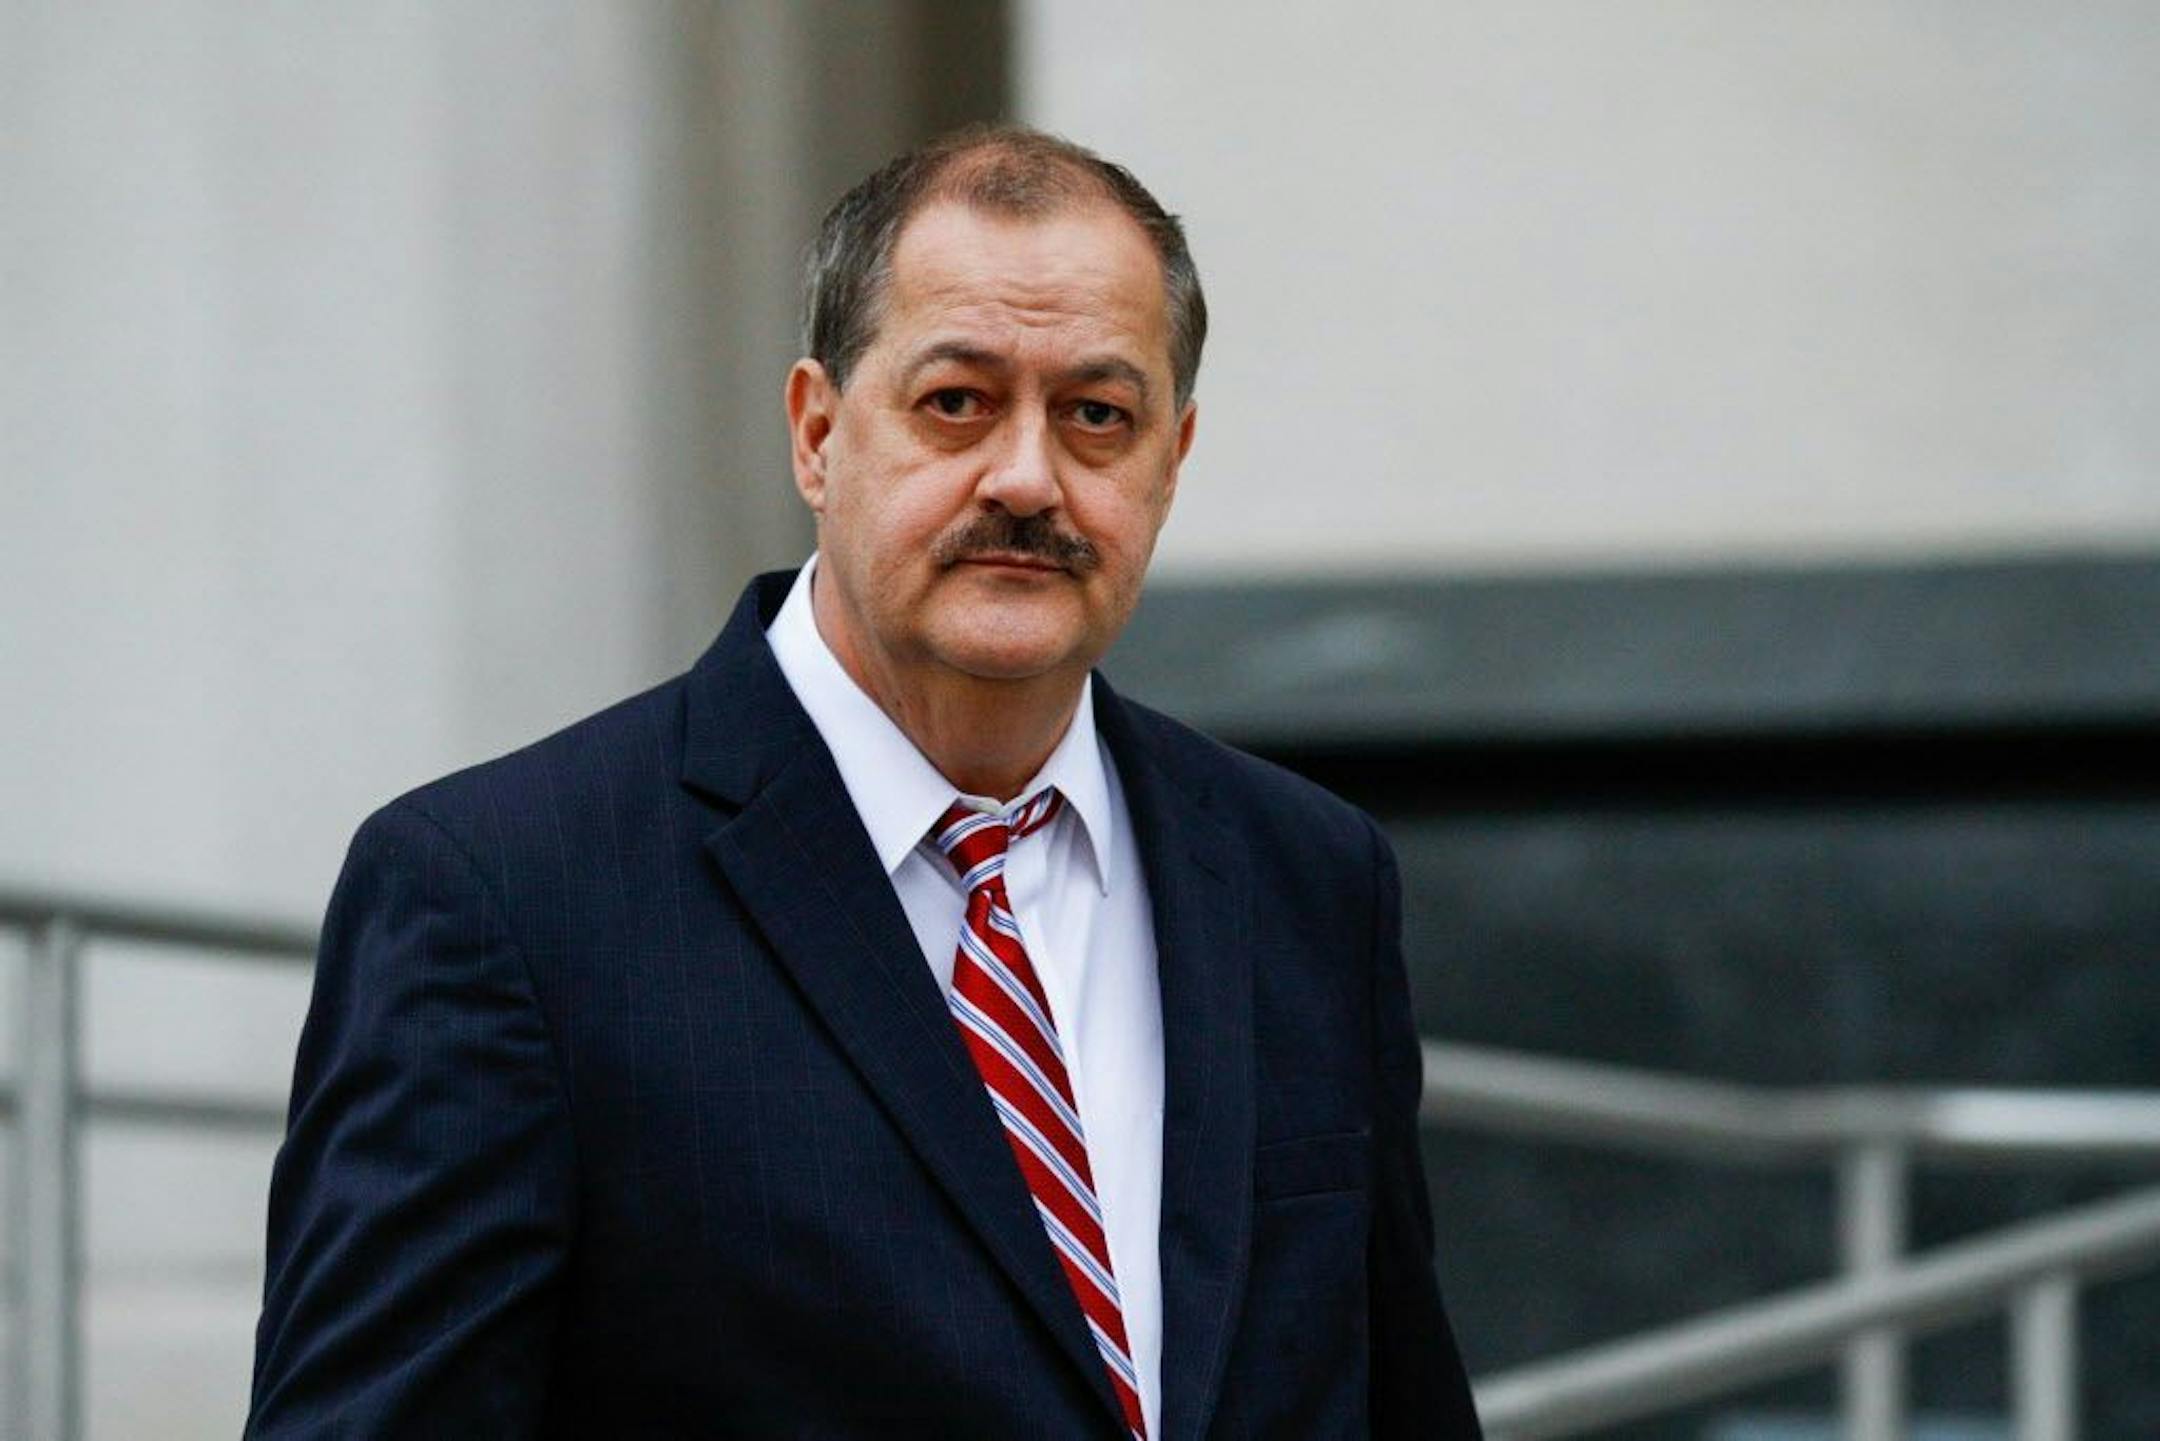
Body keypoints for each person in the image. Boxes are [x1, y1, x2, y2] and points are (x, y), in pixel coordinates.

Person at [247, 125, 1482, 1440]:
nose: (1027, 477)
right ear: (817, 432)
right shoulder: (505, 897)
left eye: (1096, 416)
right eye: (957, 401)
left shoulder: (1307, 877)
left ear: (1171, 461)